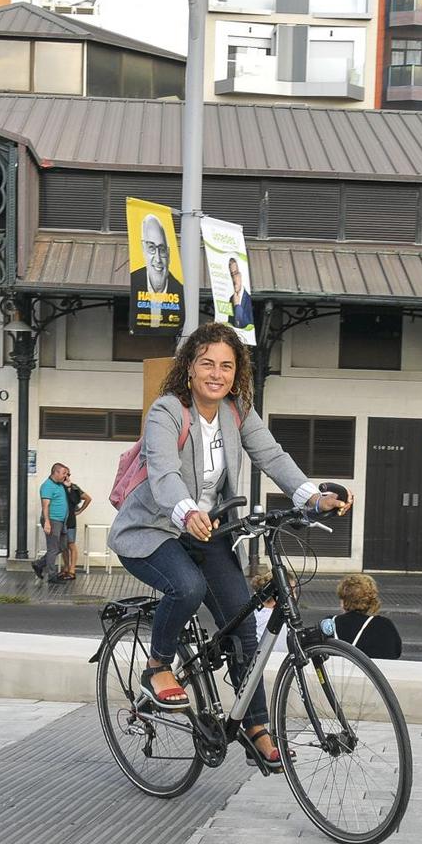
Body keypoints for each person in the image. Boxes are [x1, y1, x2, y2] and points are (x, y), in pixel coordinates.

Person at [110, 321, 350, 772]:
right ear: (189, 369)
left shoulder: (236, 412)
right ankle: (158, 665)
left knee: (244, 630)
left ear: (236, 372)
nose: (216, 374)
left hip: (211, 531)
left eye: (226, 365)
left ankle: (256, 727)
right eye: (207, 364)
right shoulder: (167, 411)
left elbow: (273, 456)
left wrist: (312, 497)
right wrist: (186, 510)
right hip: (156, 528)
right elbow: (162, 472)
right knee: (187, 587)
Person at [323, 574, 402, 660]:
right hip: (372, 672)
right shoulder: (384, 626)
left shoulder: (328, 624)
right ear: (372, 601)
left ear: (344, 601)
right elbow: (395, 652)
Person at [129, 214, 178, 328]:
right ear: (143, 250)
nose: (158, 259)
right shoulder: (135, 282)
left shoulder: (180, 289)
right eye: (151, 248)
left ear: (169, 253)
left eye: (162, 250)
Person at [34, 462, 69, 582]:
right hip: (52, 520)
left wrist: (68, 485)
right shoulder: (47, 486)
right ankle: (52, 576)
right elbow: (45, 506)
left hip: (61, 521)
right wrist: (47, 523)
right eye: (64, 473)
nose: (66, 475)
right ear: (56, 472)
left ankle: (39, 564)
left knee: (63, 546)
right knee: (53, 549)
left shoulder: (60, 485)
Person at [59, 468, 91, 581]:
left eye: (67, 475)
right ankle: (66, 567)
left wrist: (80, 510)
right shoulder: (57, 487)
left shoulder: (74, 487)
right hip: (59, 520)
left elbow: (87, 498)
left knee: (71, 544)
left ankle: (72, 570)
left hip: (70, 520)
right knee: (63, 546)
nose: (65, 477)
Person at [226, 259, 255, 330]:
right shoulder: (230, 299)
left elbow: (246, 324)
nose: (233, 279)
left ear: (241, 274)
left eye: (235, 274)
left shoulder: (249, 298)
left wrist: (237, 306)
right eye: (231, 275)